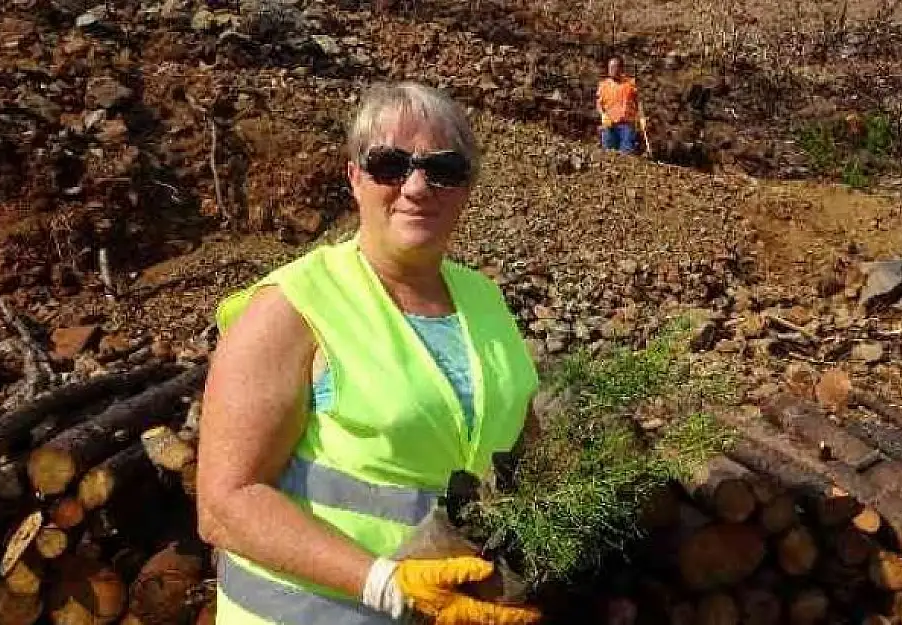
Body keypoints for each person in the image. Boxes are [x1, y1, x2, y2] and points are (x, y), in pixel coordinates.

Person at [197, 82, 543, 625]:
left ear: (466, 186)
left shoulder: (485, 299)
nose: (417, 186)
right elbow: (225, 504)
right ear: (354, 176)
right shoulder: (292, 306)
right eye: (390, 164)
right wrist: (385, 582)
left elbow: (506, 441)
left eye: (444, 169)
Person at [596, 55, 645, 154]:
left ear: (621, 68)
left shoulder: (630, 84)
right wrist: (603, 115)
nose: (611, 70)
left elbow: (638, 102)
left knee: (626, 155)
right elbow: (598, 104)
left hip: (627, 126)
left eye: (614, 67)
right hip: (609, 125)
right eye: (610, 67)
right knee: (609, 155)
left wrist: (642, 118)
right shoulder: (603, 85)